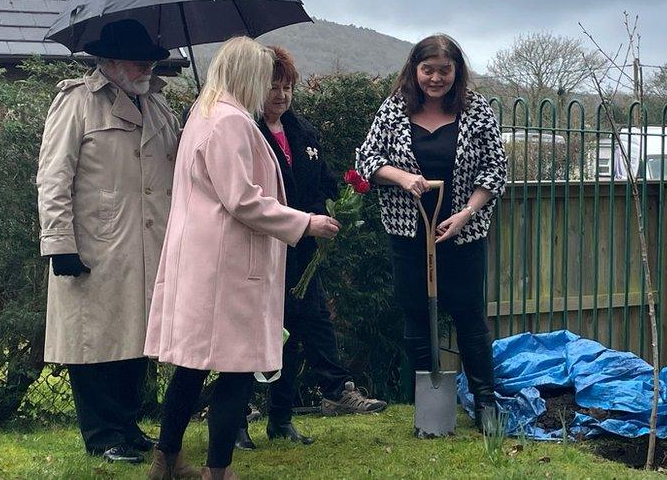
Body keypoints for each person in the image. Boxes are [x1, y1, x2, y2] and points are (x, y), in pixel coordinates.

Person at [144, 36, 340, 480]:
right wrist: (304, 222)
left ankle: (167, 459)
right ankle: (219, 470)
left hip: (205, 257)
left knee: (193, 365)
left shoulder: (202, 112)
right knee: (238, 365)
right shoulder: (231, 121)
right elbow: (242, 199)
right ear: (246, 75)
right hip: (227, 263)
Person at [36, 18, 178, 464]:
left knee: (135, 339)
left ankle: (128, 426)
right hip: (95, 243)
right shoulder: (76, 103)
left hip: (147, 242)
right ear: (112, 63)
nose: (147, 70)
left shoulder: (160, 108)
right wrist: (58, 242)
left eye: (152, 62)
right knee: (94, 341)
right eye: (139, 62)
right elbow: (53, 176)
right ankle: (102, 435)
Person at [231, 45, 386, 450]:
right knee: (256, 335)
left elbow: (324, 184)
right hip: (260, 249)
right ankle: (237, 421)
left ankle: (282, 419)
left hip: (302, 251)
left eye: (287, 87)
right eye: (272, 86)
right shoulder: (243, 131)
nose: (281, 95)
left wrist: (323, 218)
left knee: (299, 331)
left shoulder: (305, 133)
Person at [355, 34, 507, 433]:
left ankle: (485, 403)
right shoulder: (394, 110)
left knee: (469, 315)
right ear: (415, 70)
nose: (435, 78)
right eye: (428, 70)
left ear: (456, 72)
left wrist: (465, 214)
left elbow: (495, 169)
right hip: (409, 233)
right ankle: (429, 408)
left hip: (462, 232)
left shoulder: (476, 111)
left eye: (444, 70)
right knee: (416, 316)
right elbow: (367, 158)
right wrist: (403, 177)